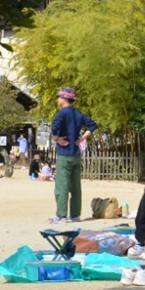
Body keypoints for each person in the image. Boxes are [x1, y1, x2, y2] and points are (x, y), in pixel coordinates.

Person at [49, 86, 97, 223]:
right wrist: (82, 138)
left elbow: (54, 127)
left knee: (61, 186)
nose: (57, 99)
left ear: (64, 99)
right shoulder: (78, 113)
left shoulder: (62, 113)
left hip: (64, 154)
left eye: (59, 97)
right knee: (75, 187)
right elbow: (93, 125)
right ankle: (75, 215)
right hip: (76, 154)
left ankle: (61, 215)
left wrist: (57, 139)